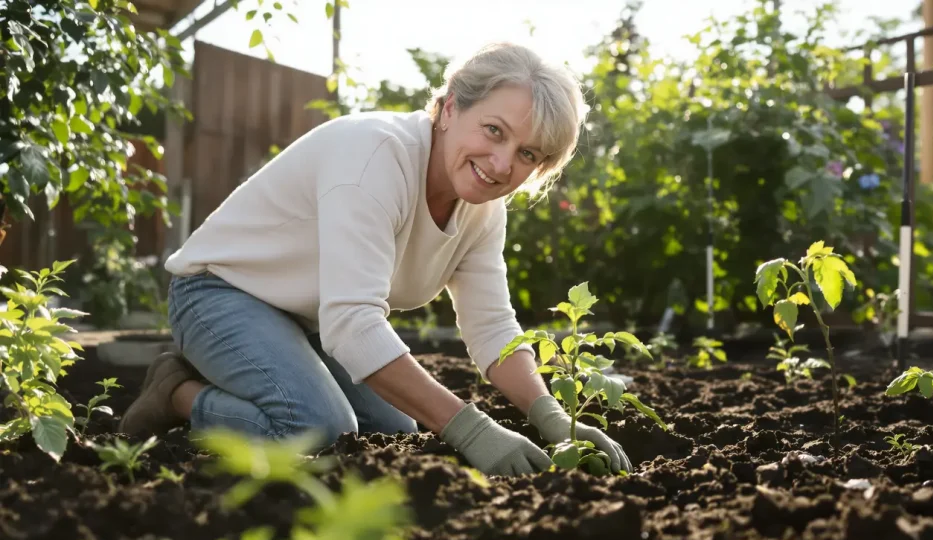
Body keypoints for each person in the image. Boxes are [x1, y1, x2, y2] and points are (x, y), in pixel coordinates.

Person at [118, 42, 632, 477]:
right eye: (494, 130)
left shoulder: (482, 209)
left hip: (303, 321)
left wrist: (552, 417)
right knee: (317, 429)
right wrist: (471, 428)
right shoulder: (374, 157)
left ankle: (248, 379)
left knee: (396, 428)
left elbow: (493, 327)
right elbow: (353, 325)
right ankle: (178, 394)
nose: (502, 165)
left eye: (528, 154)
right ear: (451, 108)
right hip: (219, 294)